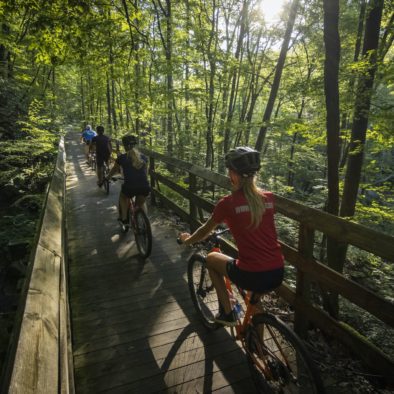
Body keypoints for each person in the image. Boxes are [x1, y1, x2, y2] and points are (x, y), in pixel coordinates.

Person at [179, 147, 284, 326]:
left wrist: (187, 240)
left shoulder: (227, 204)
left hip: (252, 273)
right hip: (277, 270)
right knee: (254, 302)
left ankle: (228, 313)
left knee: (211, 259)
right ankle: (258, 350)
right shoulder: (269, 198)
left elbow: (205, 230)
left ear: (233, 174)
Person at [107, 135, 151, 230]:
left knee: (123, 197)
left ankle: (125, 220)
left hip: (130, 187)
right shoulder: (144, 157)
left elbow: (114, 170)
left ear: (124, 145)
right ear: (135, 145)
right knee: (141, 203)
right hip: (144, 187)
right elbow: (145, 173)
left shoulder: (122, 158)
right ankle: (145, 223)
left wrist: (108, 177)